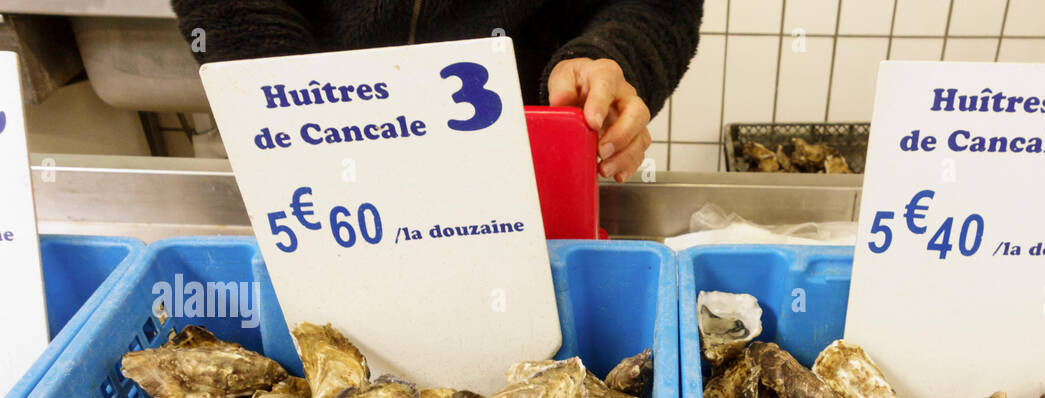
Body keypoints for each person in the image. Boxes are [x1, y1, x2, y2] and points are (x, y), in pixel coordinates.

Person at [172, 0, 702, 181]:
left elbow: (656, 5)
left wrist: (612, 55)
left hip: (528, 165)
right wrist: (289, 95)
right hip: (312, 160)